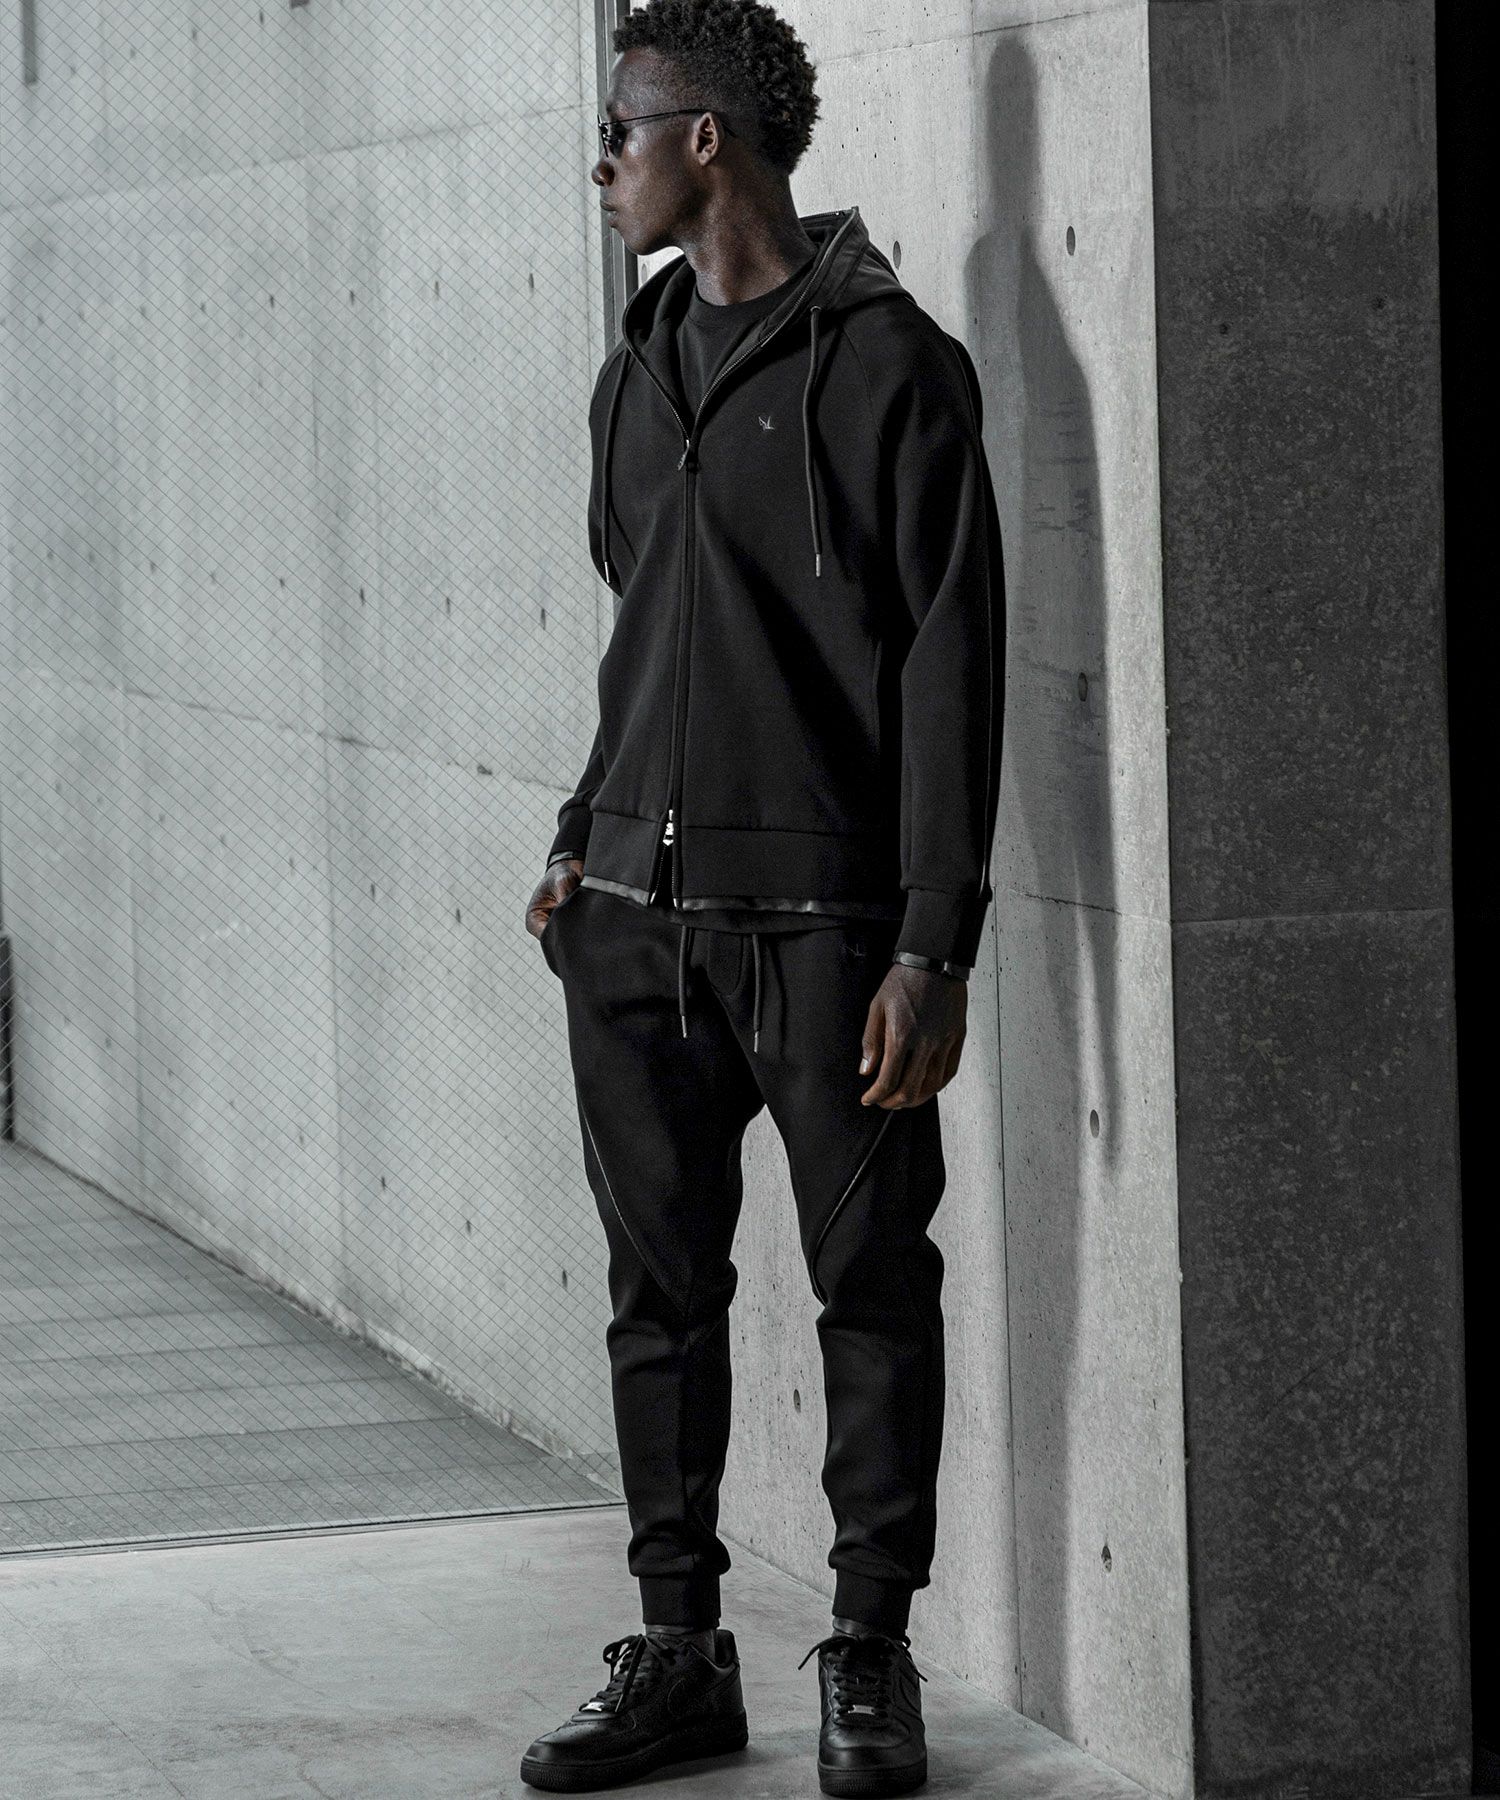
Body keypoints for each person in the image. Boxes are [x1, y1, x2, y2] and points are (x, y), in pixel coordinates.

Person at [519, 3, 1004, 1793]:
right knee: (658, 1300)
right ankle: (678, 1651)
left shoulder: (894, 366)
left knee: (871, 1285)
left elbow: (950, 664)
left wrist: (933, 941)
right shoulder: (635, 370)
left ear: (706, 139)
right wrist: (580, 836)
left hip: (828, 934)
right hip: (630, 917)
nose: (604, 163)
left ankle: (868, 1648)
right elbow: (647, 629)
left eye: (623, 131)